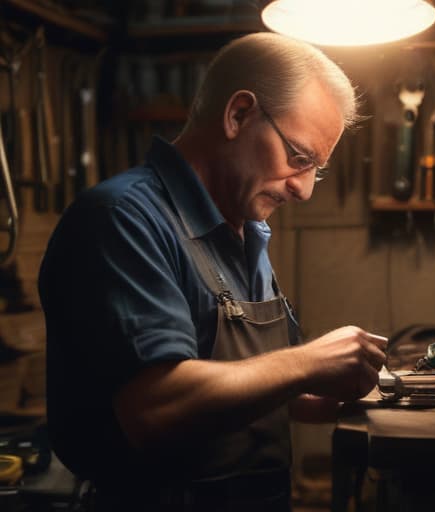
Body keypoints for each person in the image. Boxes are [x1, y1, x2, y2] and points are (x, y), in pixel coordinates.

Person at [38, 32, 387, 512]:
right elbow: (156, 409)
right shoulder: (122, 220)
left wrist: (337, 391)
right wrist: (309, 362)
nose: (305, 190)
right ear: (238, 115)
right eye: (299, 158)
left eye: (317, 170)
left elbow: (255, 383)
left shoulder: (244, 231)